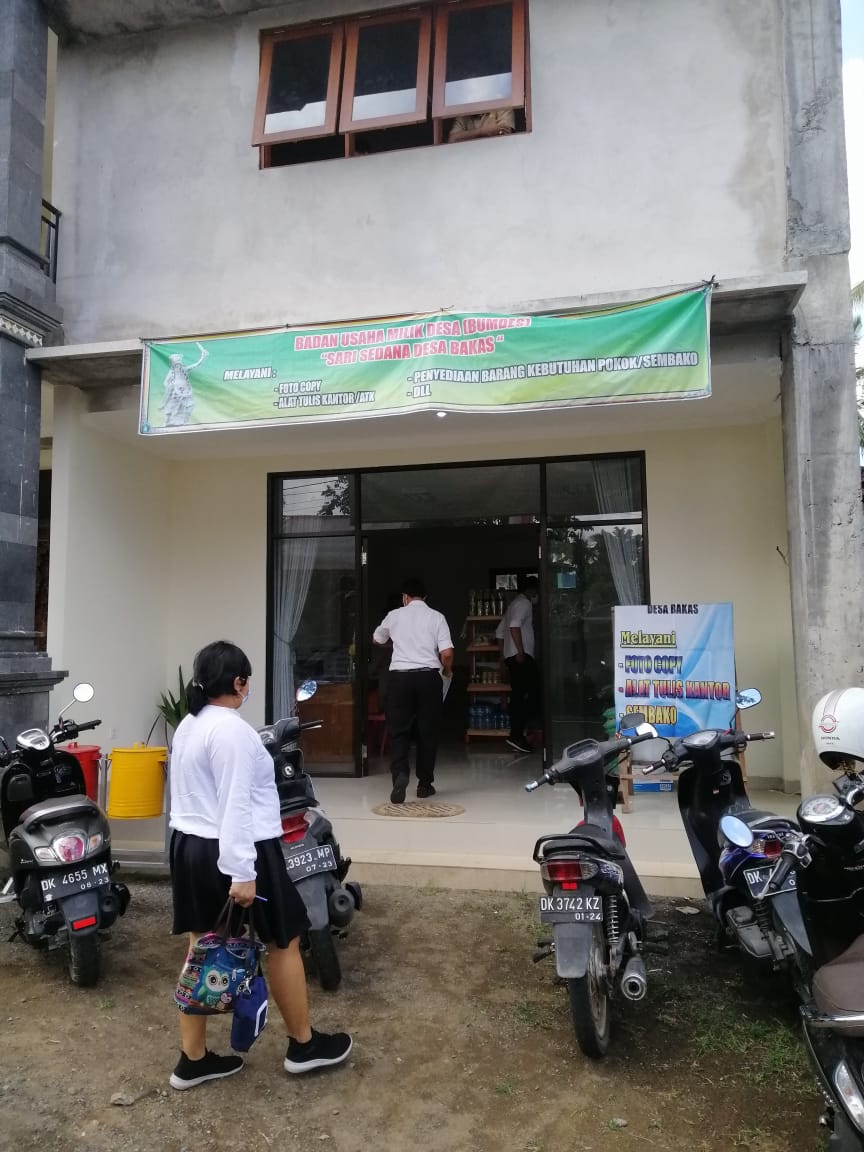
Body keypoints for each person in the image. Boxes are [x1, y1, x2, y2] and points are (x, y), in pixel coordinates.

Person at [168, 639, 352, 1091]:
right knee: (284, 941)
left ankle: (193, 1059)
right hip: (238, 848)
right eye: (246, 681)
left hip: (190, 844)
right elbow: (235, 805)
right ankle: (304, 1046)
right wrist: (243, 873)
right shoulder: (231, 731)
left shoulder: (189, 725)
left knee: (201, 944)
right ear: (238, 682)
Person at [372, 578, 454, 804]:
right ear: (425, 597)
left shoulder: (394, 615)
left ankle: (400, 775)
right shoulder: (437, 617)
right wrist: (447, 671)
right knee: (427, 732)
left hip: (399, 679)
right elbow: (447, 653)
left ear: (405, 597)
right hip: (428, 678)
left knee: (398, 731)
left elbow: (377, 638)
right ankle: (424, 785)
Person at [497, 576, 541, 754]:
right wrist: (520, 651)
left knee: (519, 695)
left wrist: (504, 656)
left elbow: (499, 632)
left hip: (512, 657)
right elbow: (514, 627)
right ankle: (518, 734)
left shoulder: (513, 605)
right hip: (522, 657)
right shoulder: (524, 603)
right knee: (530, 694)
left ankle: (519, 733)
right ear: (531, 590)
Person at [447, 108, 515, 143]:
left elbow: (505, 136)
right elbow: (452, 139)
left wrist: (467, 136)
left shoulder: (502, 105)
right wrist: (482, 131)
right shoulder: (464, 113)